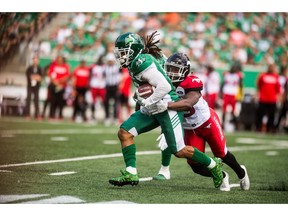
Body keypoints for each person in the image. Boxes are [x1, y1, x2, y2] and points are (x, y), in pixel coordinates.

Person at [109, 32, 223, 188]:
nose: (121, 56)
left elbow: (165, 86)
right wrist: (143, 102)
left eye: (123, 52)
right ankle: (131, 172)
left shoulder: (143, 62)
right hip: (154, 105)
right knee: (125, 132)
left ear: (133, 50)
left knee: (179, 150)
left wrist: (147, 101)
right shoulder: (134, 63)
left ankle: (213, 164)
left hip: (168, 106)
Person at [152, 52, 250, 191]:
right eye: (170, 69)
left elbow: (188, 103)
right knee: (195, 165)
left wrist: (167, 105)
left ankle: (241, 172)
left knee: (222, 154)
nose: (171, 73)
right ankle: (221, 175)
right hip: (189, 128)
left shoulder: (192, 81)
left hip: (206, 122)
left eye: (175, 69)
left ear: (185, 70)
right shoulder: (164, 84)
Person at [255, 63, 281, 133]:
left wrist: (279, 97)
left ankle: (270, 128)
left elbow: (278, 88)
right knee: (260, 114)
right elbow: (258, 85)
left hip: (272, 99)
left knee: (271, 115)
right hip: (263, 99)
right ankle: (258, 128)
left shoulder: (276, 77)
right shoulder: (263, 76)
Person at [220, 64, 243, 129]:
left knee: (233, 111)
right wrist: (221, 92)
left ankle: (236, 124)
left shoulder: (238, 75)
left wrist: (240, 94)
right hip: (227, 93)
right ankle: (223, 124)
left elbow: (240, 85)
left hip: (233, 94)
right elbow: (223, 84)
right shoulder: (227, 75)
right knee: (224, 110)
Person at [48, 55, 70, 120]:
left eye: (61, 60)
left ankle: (60, 115)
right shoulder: (53, 66)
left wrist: (60, 82)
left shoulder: (65, 67)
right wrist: (56, 83)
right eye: (58, 60)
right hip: (54, 86)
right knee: (53, 101)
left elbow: (67, 76)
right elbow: (51, 76)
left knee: (61, 102)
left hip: (62, 86)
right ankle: (52, 115)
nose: (60, 61)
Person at [103, 53, 121, 126]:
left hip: (115, 86)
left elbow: (120, 76)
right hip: (108, 86)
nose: (110, 62)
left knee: (116, 103)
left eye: (111, 61)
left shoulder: (117, 67)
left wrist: (119, 85)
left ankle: (115, 118)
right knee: (106, 102)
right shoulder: (105, 68)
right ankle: (107, 117)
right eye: (109, 61)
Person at [25, 55, 43, 119]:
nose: (35, 61)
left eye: (36, 60)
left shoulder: (40, 68)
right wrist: (36, 77)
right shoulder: (29, 68)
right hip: (30, 86)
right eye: (34, 60)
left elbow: (41, 78)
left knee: (36, 100)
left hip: (37, 87)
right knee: (28, 100)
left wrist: (35, 77)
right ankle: (27, 114)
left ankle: (37, 114)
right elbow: (30, 77)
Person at [89, 55, 106, 121]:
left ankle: (106, 116)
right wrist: (89, 84)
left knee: (104, 101)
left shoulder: (104, 67)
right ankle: (92, 116)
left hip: (102, 85)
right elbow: (90, 75)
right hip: (94, 85)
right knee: (93, 101)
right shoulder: (93, 67)